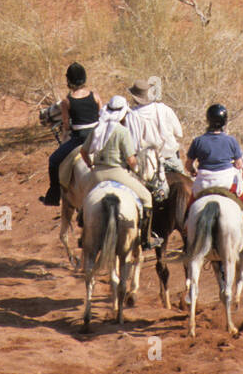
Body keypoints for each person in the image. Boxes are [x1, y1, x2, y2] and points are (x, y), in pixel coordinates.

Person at [185, 103, 243, 261]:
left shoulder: (198, 141)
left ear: (208, 120)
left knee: (189, 210)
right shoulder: (231, 141)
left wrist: (193, 170)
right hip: (227, 183)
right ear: (225, 122)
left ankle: (188, 244)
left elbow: (188, 164)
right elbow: (239, 164)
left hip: (204, 183)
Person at [80, 95, 161, 250]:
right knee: (147, 197)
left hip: (97, 174)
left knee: (84, 202)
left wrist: (91, 166)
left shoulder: (98, 128)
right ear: (122, 113)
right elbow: (131, 160)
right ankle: (146, 239)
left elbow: (84, 152)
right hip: (117, 173)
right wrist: (136, 167)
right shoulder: (122, 131)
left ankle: (84, 235)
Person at [39, 63, 101, 207]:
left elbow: (66, 126)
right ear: (84, 78)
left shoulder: (67, 101)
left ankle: (54, 195)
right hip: (96, 137)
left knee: (53, 161)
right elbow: (101, 117)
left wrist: (69, 126)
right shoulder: (95, 96)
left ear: (69, 81)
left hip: (79, 139)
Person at [126, 77, 184, 173]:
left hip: (146, 162)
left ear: (134, 97)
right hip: (170, 157)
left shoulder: (132, 116)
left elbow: (131, 144)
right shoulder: (165, 109)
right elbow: (179, 133)